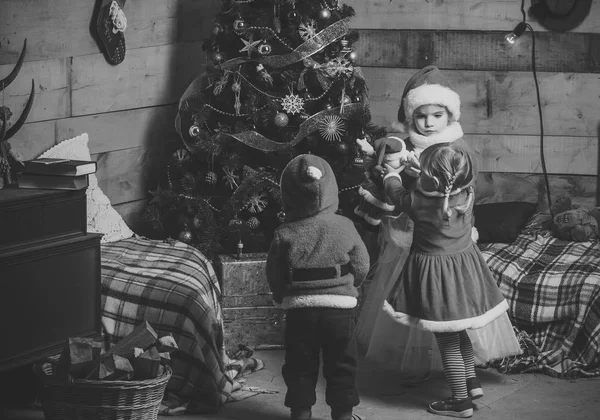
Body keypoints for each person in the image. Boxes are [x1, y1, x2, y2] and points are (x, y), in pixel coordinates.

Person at [381, 142, 520, 418]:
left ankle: (460, 401)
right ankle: (470, 381)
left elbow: (395, 192)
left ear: (429, 178)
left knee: (446, 340)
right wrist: (426, 170)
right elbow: (445, 181)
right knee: (460, 330)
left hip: (437, 278)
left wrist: (391, 174)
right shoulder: (466, 192)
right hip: (466, 271)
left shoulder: (417, 201)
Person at [356, 65, 471, 374]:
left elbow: (441, 192)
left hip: (439, 237)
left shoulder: (455, 149)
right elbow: (392, 173)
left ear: (450, 116)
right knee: (403, 295)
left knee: (441, 305)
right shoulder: (404, 143)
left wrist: (405, 177)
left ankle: (445, 370)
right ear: (410, 116)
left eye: (437, 115)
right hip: (408, 229)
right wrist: (384, 168)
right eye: (421, 116)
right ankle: (407, 356)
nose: (429, 123)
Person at [267, 154, 370, 420]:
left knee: (300, 363)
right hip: (339, 308)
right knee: (342, 363)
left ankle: (301, 413)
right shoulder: (345, 226)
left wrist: (281, 297)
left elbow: (275, 273)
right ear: (331, 188)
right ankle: (343, 414)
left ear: (288, 193)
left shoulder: (284, 232)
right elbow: (362, 264)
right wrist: (350, 286)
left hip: (301, 310)